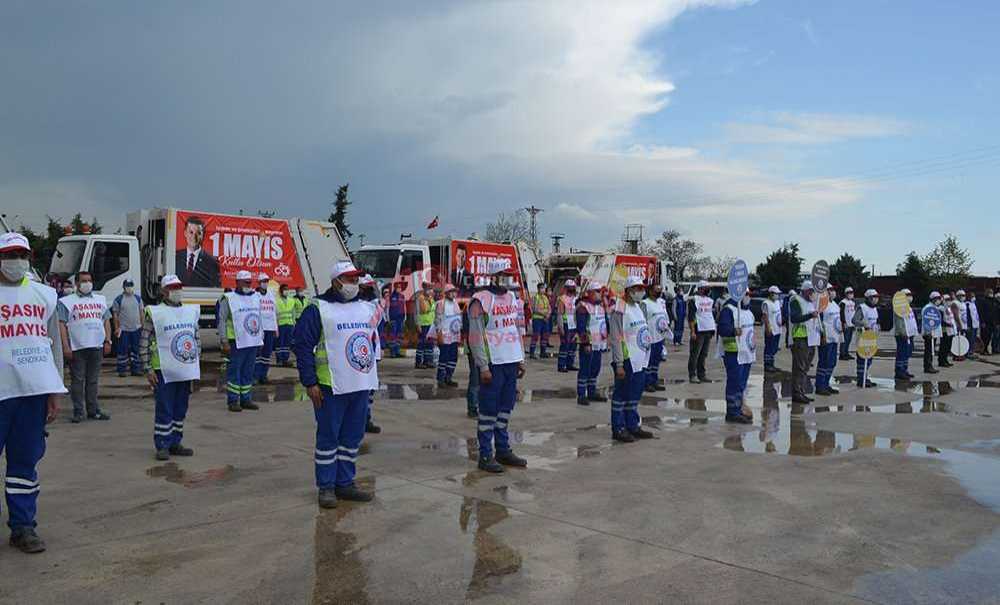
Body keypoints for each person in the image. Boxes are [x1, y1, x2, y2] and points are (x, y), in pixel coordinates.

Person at [0, 232, 65, 553]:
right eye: (10, 256)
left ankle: (23, 527)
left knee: (25, 463)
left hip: (31, 394)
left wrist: (55, 391)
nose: (16, 262)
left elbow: (52, 348)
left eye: (21, 255)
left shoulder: (44, 295)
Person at [294, 260, 377, 508]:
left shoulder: (364, 307)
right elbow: (302, 346)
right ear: (336, 282)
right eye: (350, 279)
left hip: (359, 385)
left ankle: (345, 483)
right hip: (330, 386)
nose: (355, 283)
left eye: (356, 279)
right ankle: (327, 487)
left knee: (352, 438)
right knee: (329, 438)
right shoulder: (318, 308)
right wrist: (310, 382)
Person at [468, 262, 528, 473]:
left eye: (510, 275)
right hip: (492, 363)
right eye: (504, 274)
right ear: (493, 276)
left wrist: (521, 358)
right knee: (488, 410)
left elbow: (517, 328)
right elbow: (475, 336)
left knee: (505, 407)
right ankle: (485, 454)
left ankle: (503, 449)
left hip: (510, 360)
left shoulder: (513, 298)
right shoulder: (480, 300)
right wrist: (482, 366)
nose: (508, 278)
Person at [140, 274, 200, 461]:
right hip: (163, 370)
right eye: (173, 288)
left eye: (178, 288)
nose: (177, 291)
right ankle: (162, 445)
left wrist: (195, 366)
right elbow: (144, 340)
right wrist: (147, 368)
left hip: (185, 369)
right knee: (164, 407)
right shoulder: (155, 313)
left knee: (180, 407)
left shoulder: (190, 312)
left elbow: (196, 339)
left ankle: (175, 442)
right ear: (164, 291)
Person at [58, 271, 113, 423]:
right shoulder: (67, 301)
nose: (87, 283)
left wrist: (108, 341)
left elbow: (106, 320)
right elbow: (61, 325)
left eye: (89, 280)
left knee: (93, 380)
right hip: (77, 347)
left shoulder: (100, 300)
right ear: (76, 283)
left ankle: (93, 410)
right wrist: (65, 346)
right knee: (77, 380)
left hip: (96, 346)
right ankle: (78, 411)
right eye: (83, 281)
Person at [608, 276, 655, 442]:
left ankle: (632, 425)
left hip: (640, 359)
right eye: (637, 288)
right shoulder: (619, 309)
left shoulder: (639, 307)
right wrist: (619, 364)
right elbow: (616, 338)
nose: (641, 292)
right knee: (621, 395)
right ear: (628, 290)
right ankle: (619, 428)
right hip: (626, 360)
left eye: (642, 288)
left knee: (634, 394)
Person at [218, 270, 264, 412]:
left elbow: (258, 318)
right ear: (237, 282)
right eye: (246, 282)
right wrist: (224, 340)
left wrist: (260, 338)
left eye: (250, 282)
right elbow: (222, 320)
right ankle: (233, 400)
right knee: (234, 371)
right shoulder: (228, 298)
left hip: (252, 341)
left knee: (248, 371)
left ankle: (246, 399)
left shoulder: (256, 297)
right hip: (235, 341)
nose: (249, 285)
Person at [717, 291, 755, 423]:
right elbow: (722, 329)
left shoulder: (748, 312)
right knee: (734, 383)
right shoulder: (729, 310)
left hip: (747, 354)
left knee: (742, 383)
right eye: (746, 294)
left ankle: (739, 409)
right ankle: (732, 412)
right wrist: (733, 331)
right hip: (734, 353)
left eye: (749, 294)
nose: (748, 297)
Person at [575, 282, 608, 406]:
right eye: (598, 291)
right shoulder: (583, 307)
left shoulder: (600, 306)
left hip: (599, 344)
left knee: (595, 369)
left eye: (601, 291)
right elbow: (581, 327)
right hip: (588, 344)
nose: (601, 294)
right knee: (585, 369)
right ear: (590, 293)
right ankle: (581, 395)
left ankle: (592, 392)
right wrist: (586, 342)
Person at [358, 275, 383, 434]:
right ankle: (359, 421)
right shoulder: (357, 306)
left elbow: (377, 323)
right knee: (360, 390)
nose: (371, 291)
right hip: (360, 351)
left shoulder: (373, 305)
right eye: (368, 287)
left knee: (370, 389)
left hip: (373, 351)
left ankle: (365, 420)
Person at [789, 281, 820, 403]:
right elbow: (794, 318)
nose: (813, 293)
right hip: (801, 338)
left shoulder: (811, 303)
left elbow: (816, 320)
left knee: (805, 367)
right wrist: (809, 316)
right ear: (805, 291)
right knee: (799, 368)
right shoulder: (796, 300)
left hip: (812, 338)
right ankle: (797, 393)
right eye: (811, 291)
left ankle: (801, 391)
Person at [175, 215, 220, 287]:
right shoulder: (175, 257)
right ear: (185, 233)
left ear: (203, 235)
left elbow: (215, 287)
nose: (194, 237)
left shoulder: (211, 262)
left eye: (198, 233)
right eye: (191, 232)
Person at [111, 279, 144, 377]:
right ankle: (122, 370)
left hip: (136, 329)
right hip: (123, 329)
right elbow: (115, 315)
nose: (129, 288)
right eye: (127, 286)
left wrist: (143, 326)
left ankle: (136, 369)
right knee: (122, 350)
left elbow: (141, 313)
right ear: (123, 287)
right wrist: (116, 328)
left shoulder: (138, 299)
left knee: (136, 349)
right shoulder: (118, 299)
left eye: (130, 285)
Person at [641, 283, 669, 392]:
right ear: (650, 291)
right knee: (649, 361)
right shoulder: (644, 303)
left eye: (660, 289)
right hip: (649, 337)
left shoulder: (660, 302)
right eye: (657, 290)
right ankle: (647, 383)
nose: (659, 292)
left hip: (659, 337)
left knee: (656, 361)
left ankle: (654, 381)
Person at [687, 281, 716, 384]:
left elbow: (710, 315)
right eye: (705, 287)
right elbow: (691, 317)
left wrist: (713, 329)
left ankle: (702, 375)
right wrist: (692, 331)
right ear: (700, 289)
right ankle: (692, 375)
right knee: (695, 354)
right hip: (699, 330)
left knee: (704, 354)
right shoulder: (694, 300)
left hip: (708, 330)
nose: (708, 289)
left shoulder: (710, 300)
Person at [815, 286, 842, 396]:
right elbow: (819, 322)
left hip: (835, 338)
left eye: (834, 290)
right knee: (824, 362)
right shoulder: (821, 305)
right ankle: (820, 386)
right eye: (830, 290)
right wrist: (822, 336)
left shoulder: (835, 305)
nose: (833, 292)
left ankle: (826, 384)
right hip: (826, 338)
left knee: (832, 362)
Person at [852, 288, 881, 388]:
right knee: (862, 360)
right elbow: (854, 320)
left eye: (877, 297)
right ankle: (861, 379)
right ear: (868, 298)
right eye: (874, 297)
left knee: (869, 359)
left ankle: (865, 377)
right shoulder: (862, 308)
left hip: (872, 338)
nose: (876, 299)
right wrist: (864, 324)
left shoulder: (875, 309)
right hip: (862, 338)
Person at [435, 284, 462, 388]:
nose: (454, 294)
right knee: (444, 357)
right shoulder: (441, 304)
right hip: (445, 335)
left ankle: (448, 377)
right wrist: (439, 334)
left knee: (453, 357)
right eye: (452, 292)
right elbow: (438, 320)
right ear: (446, 293)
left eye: (455, 292)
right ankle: (440, 379)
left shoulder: (456, 303)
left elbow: (458, 319)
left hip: (454, 336)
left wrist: (460, 334)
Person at [254, 273, 278, 384]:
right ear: (259, 283)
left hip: (270, 328)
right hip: (259, 328)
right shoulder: (254, 295)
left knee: (267, 353)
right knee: (257, 354)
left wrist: (275, 328)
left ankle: (263, 375)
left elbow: (273, 312)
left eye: (267, 281)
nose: (265, 283)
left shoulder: (271, 295)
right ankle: (255, 376)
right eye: (263, 281)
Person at [893, 288, 918, 379]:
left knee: (907, 352)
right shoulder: (898, 308)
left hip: (910, 334)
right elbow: (899, 322)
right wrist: (903, 333)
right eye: (908, 295)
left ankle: (905, 369)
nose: (910, 297)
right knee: (902, 353)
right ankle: (899, 371)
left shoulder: (909, 308)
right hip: (902, 334)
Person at [557, 280, 579, 372]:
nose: (571, 289)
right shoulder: (562, 299)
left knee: (573, 346)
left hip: (574, 325)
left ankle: (570, 364)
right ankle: (561, 365)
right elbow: (560, 314)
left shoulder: (576, 298)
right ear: (566, 288)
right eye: (569, 288)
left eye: (572, 287)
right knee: (565, 345)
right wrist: (561, 326)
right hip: (566, 325)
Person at [275, 284, 297, 367]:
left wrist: (294, 323)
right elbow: (275, 314)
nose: (286, 291)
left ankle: (285, 359)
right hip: (280, 324)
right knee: (280, 343)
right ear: (280, 291)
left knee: (287, 343)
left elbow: (293, 313)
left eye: (287, 289)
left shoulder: (292, 300)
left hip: (290, 324)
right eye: (284, 289)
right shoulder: (276, 301)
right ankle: (279, 360)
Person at [761, 286, 783, 373]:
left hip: (778, 328)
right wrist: (768, 327)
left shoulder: (777, 302)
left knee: (774, 348)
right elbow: (765, 316)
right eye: (776, 294)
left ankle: (772, 364)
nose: (777, 295)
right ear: (771, 294)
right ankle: (767, 365)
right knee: (769, 347)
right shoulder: (766, 303)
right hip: (771, 329)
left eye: (778, 294)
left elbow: (779, 313)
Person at [415, 282, 436, 369]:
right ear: (424, 289)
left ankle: (428, 361)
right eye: (428, 289)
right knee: (422, 344)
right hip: (423, 324)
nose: (430, 291)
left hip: (431, 324)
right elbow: (423, 310)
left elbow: (433, 309)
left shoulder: (431, 298)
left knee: (430, 344)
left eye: (431, 289)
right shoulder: (421, 298)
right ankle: (418, 362)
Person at [529, 283, 551, 359]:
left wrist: (548, 315)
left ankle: (543, 352)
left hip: (545, 319)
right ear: (538, 289)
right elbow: (534, 309)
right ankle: (532, 353)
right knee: (535, 336)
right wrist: (544, 314)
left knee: (545, 336)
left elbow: (549, 308)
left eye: (544, 288)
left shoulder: (545, 298)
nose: (543, 290)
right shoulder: (535, 297)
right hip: (537, 319)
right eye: (541, 288)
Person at [922, 291, 943, 374]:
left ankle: (929, 365)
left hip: (934, 333)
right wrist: (928, 332)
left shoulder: (935, 308)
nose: (939, 300)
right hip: (929, 333)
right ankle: (928, 366)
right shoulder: (927, 308)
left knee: (931, 350)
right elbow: (925, 321)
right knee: (928, 350)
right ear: (933, 299)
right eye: (938, 299)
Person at [386, 281, 406, 358]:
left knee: (399, 336)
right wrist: (388, 319)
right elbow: (388, 308)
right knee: (393, 336)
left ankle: (397, 351)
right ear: (395, 288)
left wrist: (405, 317)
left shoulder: (402, 296)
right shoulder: (391, 297)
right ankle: (392, 352)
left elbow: (404, 307)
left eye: (400, 287)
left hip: (400, 318)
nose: (399, 289)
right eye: (398, 287)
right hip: (393, 318)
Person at [950, 290, 969, 361]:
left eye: (964, 295)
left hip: (964, 324)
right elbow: (956, 315)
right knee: (957, 340)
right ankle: (956, 355)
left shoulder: (963, 303)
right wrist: (959, 324)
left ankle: (961, 354)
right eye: (961, 295)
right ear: (958, 296)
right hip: (958, 325)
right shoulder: (955, 303)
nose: (963, 297)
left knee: (962, 340)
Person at [839, 287, 857, 360]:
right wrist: (843, 322)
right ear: (846, 294)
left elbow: (853, 313)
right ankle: (842, 354)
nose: (851, 294)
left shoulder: (853, 302)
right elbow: (841, 313)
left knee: (849, 340)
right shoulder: (843, 302)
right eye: (849, 293)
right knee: (844, 340)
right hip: (846, 324)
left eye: (852, 292)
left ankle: (846, 352)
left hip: (851, 324)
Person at [939, 293, 956, 368]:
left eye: (949, 300)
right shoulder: (941, 309)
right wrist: (947, 325)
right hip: (944, 330)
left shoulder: (949, 308)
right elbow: (940, 321)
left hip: (951, 330)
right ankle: (941, 361)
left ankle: (945, 360)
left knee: (948, 346)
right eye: (947, 300)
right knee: (944, 346)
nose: (949, 301)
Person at [979, 289, 996, 355]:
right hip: (985, 322)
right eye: (989, 292)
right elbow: (981, 312)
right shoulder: (983, 301)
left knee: (989, 337)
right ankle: (983, 350)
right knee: (984, 336)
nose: (991, 293)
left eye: (991, 292)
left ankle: (986, 349)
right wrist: (982, 321)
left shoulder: (993, 301)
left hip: (991, 322)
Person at [967, 291, 981, 359]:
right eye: (972, 296)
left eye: (974, 296)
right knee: (970, 339)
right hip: (971, 324)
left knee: (974, 339)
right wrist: (968, 324)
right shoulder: (967, 304)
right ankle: (969, 352)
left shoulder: (974, 304)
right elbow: (968, 316)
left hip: (975, 324)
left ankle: (972, 351)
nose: (973, 298)